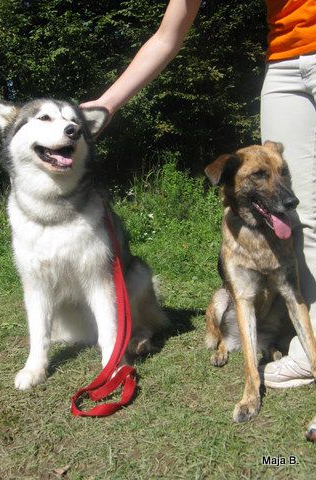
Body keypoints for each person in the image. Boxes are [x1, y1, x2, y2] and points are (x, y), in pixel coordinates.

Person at [81, 0, 316, 388]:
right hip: (285, 59)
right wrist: (106, 104)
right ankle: (308, 348)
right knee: (298, 216)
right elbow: (167, 35)